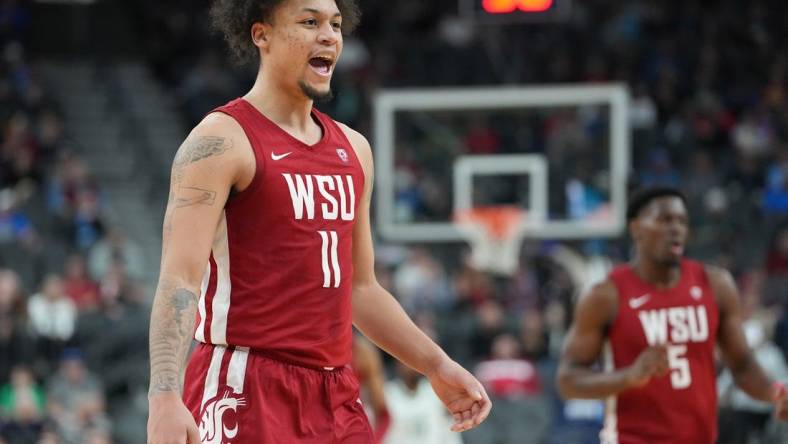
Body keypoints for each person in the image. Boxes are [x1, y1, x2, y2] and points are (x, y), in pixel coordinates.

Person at [146, 1, 491, 443]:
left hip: (336, 393)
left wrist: (435, 364)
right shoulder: (220, 141)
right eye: (309, 22)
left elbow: (361, 289)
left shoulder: (355, 149)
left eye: (335, 24)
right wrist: (164, 398)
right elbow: (179, 280)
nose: (329, 35)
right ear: (261, 34)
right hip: (246, 385)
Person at [556, 187, 788, 444]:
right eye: (664, 220)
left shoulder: (716, 285)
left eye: (681, 221)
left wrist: (775, 393)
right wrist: (629, 377)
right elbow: (568, 380)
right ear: (636, 229)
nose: (676, 228)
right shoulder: (605, 295)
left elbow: (743, 367)